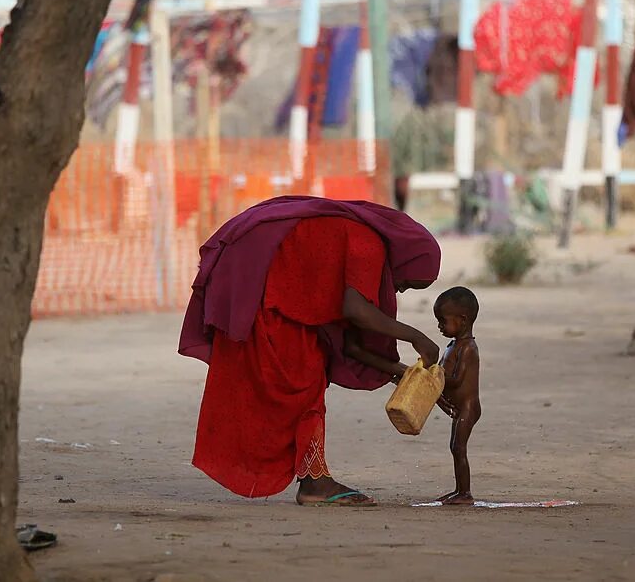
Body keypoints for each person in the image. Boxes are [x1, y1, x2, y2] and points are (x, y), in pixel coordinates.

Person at [178, 196, 441, 506]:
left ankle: (314, 478)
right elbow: (355, 311)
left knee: (312, 377)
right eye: (408, 283)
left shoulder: (362, 237)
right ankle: (315, 482)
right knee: (304, 385)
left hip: (271, 294)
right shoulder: (368, 244)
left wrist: (409, 376)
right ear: (406, 260)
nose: (399, 290)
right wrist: (416, 336)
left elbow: (350, 345)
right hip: (266, 298)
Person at [432, 286, 481, 505]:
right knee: (454, 447)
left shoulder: (468, 348)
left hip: (468, 407)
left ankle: (465, 493)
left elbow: (457, 379)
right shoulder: (452, 346)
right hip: (460, 407)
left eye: (443, 321)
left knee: (459, 448)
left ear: (462, 320)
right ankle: (459, 490)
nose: (440, 326)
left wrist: (434, 379)